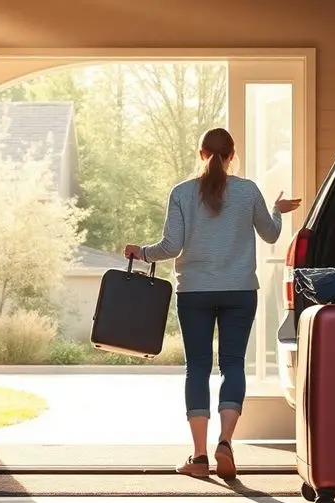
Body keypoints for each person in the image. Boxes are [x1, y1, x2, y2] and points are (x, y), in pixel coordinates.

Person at [123, 127, 302, 480]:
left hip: (195, 292)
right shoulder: (248, 190)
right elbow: (270, 234)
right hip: (239, 291)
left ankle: (200, 457)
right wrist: (278, 211)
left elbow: (170, 247)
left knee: (198, 368)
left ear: (201, 153)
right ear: (232, 155)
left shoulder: (182, 193)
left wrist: (141, 252)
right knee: (233, 364)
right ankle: (226, 443)